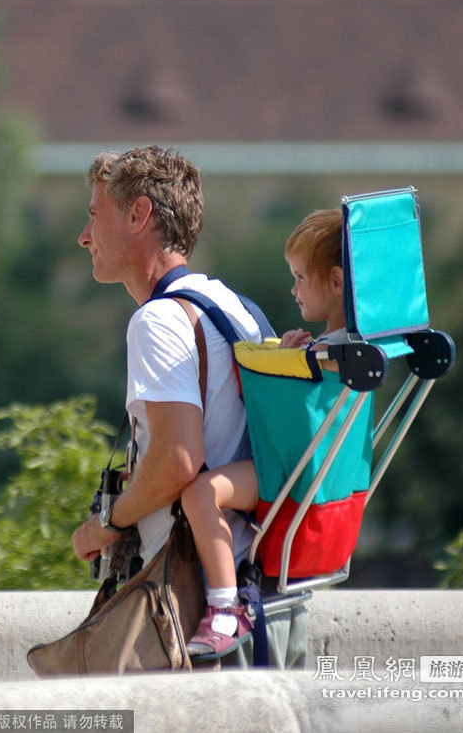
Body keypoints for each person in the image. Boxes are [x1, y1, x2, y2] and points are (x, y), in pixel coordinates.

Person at [71, 145, 306, 669]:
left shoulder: (156, 322)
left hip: (204, 613)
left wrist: (106, 523)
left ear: (138, 214)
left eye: (93, 215)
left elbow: (178, 460)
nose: (84, 237)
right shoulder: (234, 307)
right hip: (271, 597)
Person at [181, 209, 346, 658]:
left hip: (290, 472)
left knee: (200, 493)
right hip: (321, 477)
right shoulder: (347, 349)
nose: (293, 290)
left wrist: (292, 359)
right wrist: (299, 354)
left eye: (299, 278)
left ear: (334, 281)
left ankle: (223, 607)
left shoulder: (335, 352)